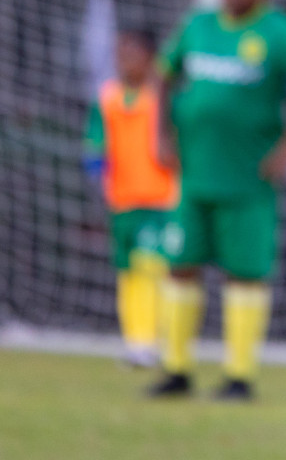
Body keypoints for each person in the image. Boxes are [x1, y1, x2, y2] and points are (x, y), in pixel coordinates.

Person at [148, 0, 286, 401]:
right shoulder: (199, 25)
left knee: (245, 274)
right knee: (180, 267)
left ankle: (239, 376)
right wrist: (162, 136)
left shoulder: (277, 32)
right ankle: (176, 369)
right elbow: (161, 74)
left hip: (249, 179)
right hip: (194, 175)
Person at [82, 28, 178, 368]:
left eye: (133, 56)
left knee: (154, 269)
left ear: (151, 60)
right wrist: (97, 169)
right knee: (128, 275)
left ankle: (160, 341)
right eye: (120, 56)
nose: (125, 63)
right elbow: (95, 145)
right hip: (122, 200)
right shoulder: (107, 98)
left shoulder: (162, 99)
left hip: (161, 200)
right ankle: (136, 342)